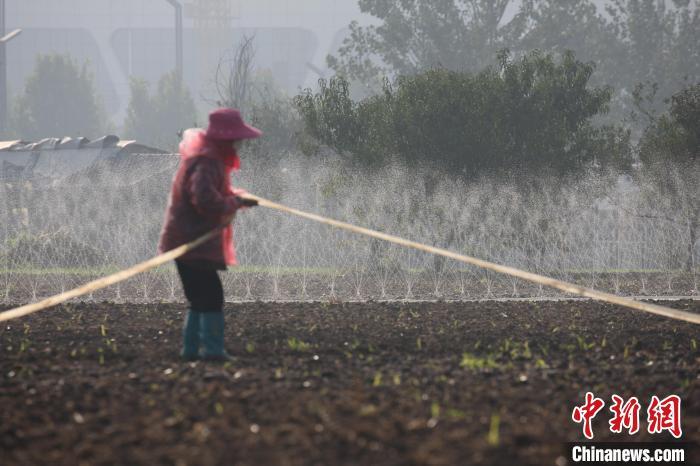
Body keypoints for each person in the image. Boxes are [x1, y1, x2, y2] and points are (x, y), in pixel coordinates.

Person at [158, 108, 261, 361]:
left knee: (199, 298)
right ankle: (211, 352)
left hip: (190, 242)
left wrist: (239, 198)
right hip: (191, 243)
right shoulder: (206, 161)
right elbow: (204, 199)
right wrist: (234, 203)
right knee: (211, 297)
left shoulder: (209, 159)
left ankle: (191, 351)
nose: (237, 144)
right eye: (235, 139)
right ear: (224, 139)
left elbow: (215, 193)